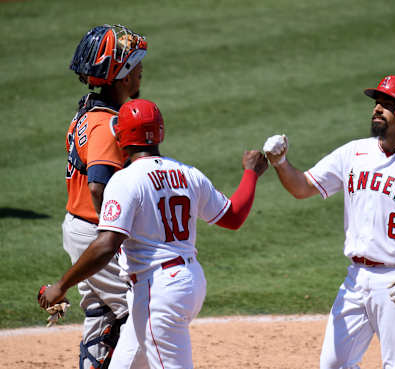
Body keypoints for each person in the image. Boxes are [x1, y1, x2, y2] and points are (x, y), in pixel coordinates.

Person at [39, 98, 269, 369]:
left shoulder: (125, 180)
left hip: (159, 292)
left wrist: (61, 286)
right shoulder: (187, 173)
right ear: (159, 132)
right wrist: (251, 173)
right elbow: (233, 216)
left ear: (122, 136)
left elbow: (105, 245)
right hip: (186, 283)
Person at [263, 75, 395, 369]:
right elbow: (302, 187)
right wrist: (279, 162)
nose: (377, 109)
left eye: (387, 104)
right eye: (377, 103)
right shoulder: (354, 152)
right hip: (356, 278)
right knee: (333, 363)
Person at [63, 24, 147, 369]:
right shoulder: (108, 125)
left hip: (79, 227)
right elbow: (99, 183)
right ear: (124, 76)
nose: (142, 71)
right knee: (139, 313)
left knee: (102, 312)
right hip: (96, 231)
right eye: (137, 65)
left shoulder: (86, 114)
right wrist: (115, 230)